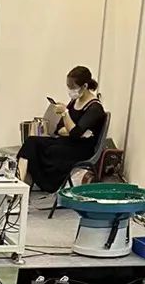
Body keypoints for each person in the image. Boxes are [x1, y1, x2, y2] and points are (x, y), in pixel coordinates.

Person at [17, 65, 106, 193]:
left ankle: (31, 186)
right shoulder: (74, 101)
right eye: (68, 86)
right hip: (68, 142)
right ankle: (20, 185)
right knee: (32, 142)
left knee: (50, 150)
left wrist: (65, 114)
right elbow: (60, 129)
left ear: (85, 86)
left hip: (81, 149)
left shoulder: (95, 108)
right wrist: (71, 128)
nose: (70, 90)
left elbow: (75, 133)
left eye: (73, 87)